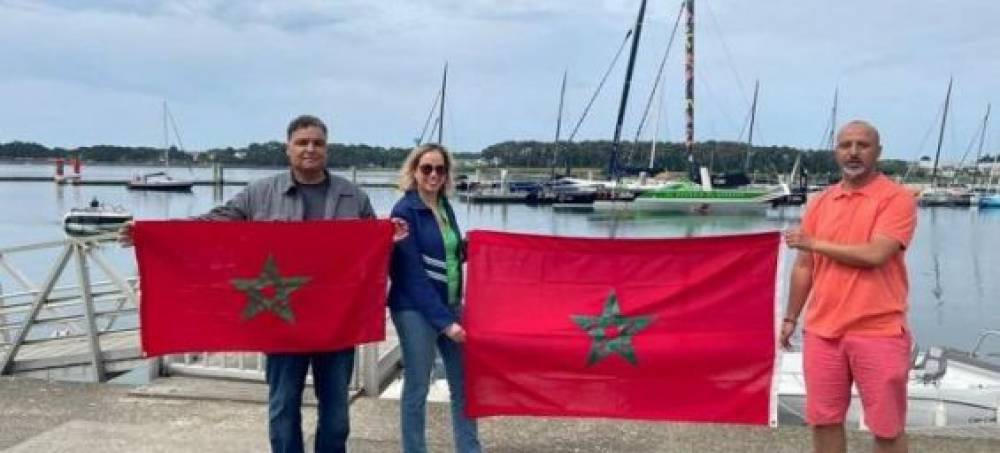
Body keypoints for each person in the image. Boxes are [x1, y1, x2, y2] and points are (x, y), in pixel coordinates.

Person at [121, 114, 406, 453]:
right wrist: (151, 235)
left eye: (317, 143)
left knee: (337, 413)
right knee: (283, 407)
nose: (310, 149)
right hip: (280, 323)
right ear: (288, 148)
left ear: (327, 149)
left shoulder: (353, 196)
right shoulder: (259, 194)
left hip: (336, 324)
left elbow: (370, 252)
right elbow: (210, 226)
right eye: (302, 143)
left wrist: (390, 238)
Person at [782, 120, 917, 453]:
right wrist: (790, 318)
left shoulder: (896, 199)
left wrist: (815, 243)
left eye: (863, 145)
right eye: (846, 145)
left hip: (879, 330)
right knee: (824, 421)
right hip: (822, 333)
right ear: (836, 151)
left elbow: (876, 254)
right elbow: (804, 266)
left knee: (887, 428)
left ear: (878, 152)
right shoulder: (820, 202)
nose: (853, 152)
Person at [388, 143, 482, 453]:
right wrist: (446, 323)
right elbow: (410, 273)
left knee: (464, 385)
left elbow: (448, 256)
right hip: (415, 309)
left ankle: (469, 449)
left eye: (440, 169)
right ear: (414, 171)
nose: (433, 175)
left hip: (451, 303)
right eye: (426, 168)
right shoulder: (404, 211)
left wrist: (475, 248)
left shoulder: (444, 207)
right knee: (417, 386)